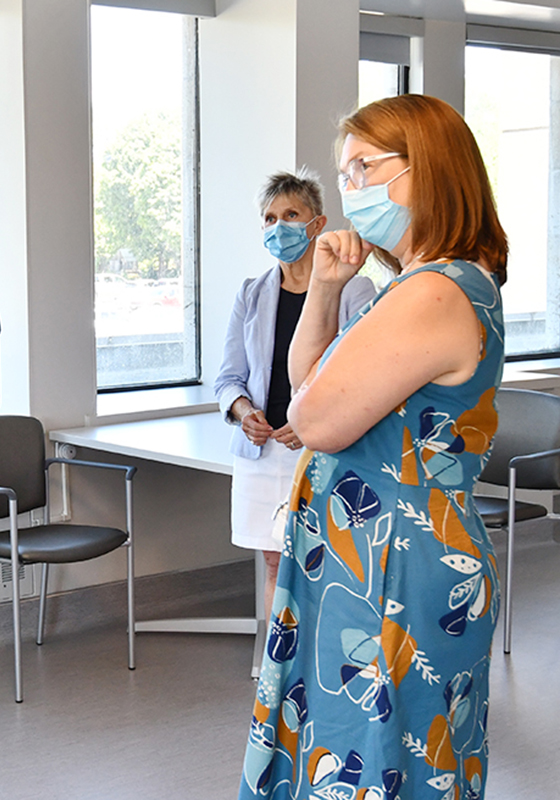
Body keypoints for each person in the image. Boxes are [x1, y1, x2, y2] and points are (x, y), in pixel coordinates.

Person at [239, 94, 507, 800]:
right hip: (367, 555)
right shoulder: (413, 284)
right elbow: (309, 382)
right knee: (361, 752)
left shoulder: (435, 291)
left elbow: (317, 419)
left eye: (364, 166)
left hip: (393, 563)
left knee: (381, 762)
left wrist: (308, 402)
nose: (351, 186)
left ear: (432, 167)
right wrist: (326, 288)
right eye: (344, 170)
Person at [215, 170, 375, 620]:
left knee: (325, 564)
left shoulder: (353, 288)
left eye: (290, 214)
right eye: (269, 218)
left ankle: (320, 668)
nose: (277, 226)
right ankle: (279, 666)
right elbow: (229, 378)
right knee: (273, 561)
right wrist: (244, 411)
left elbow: (362, 376)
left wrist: (314, 423)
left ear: (317, 223)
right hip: (263, 451)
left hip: (323, 449)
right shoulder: (251, 293)